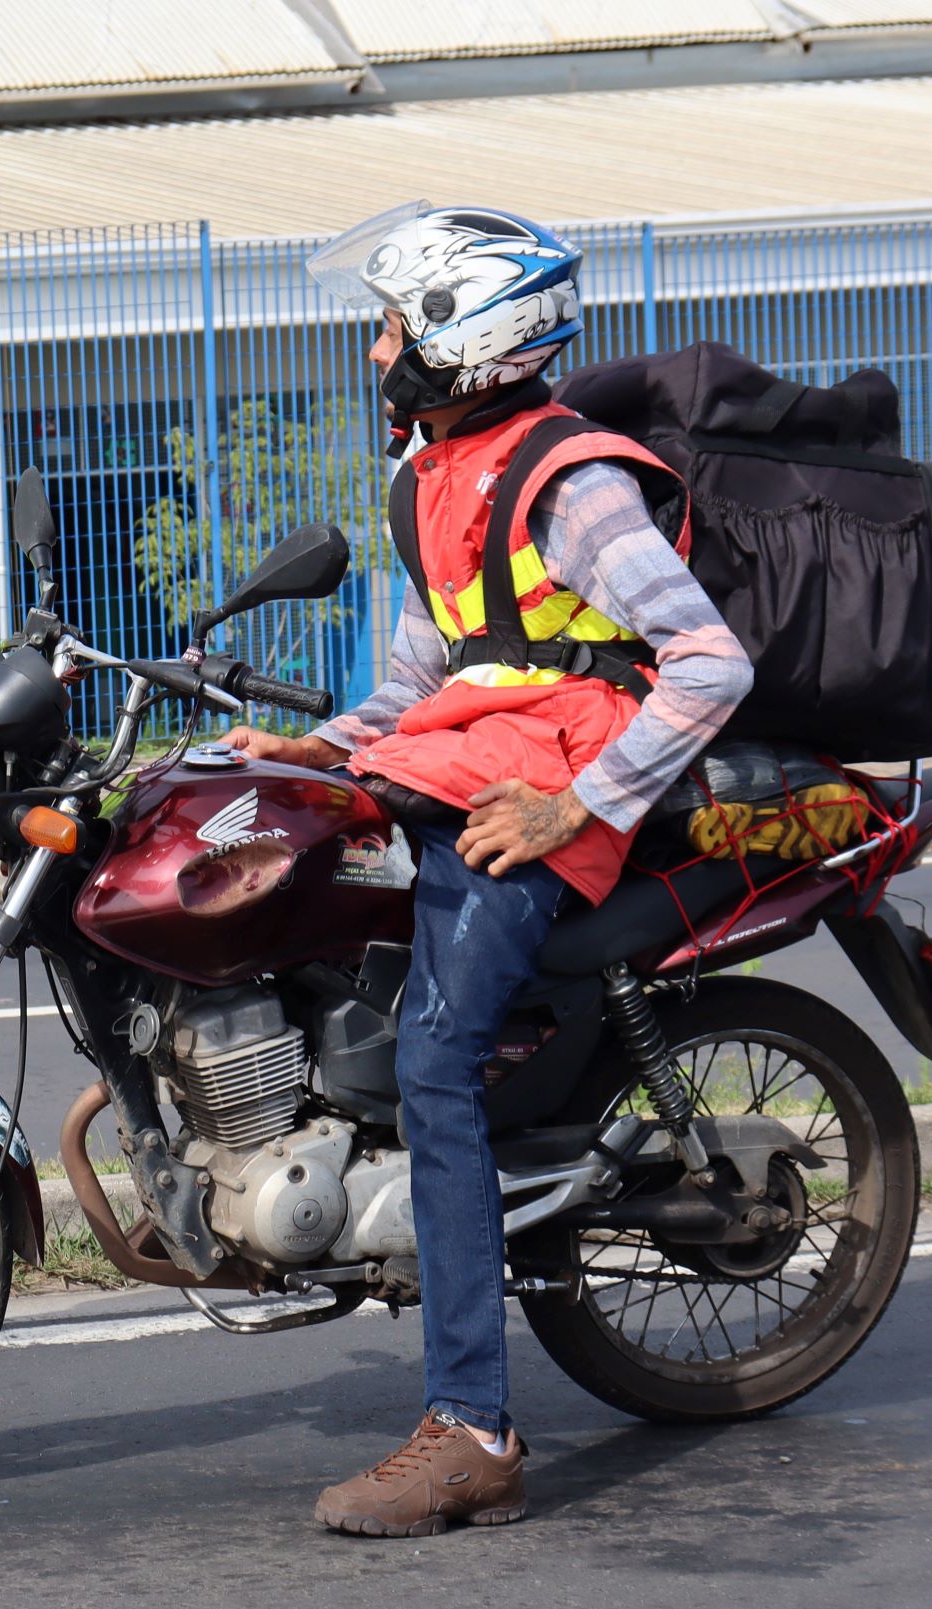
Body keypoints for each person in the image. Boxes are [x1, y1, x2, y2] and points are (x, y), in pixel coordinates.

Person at [227, 203, 754, 1536]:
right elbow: (431, 681)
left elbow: (707, 662)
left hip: (549, 802)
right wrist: (317, 744)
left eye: (393, 324)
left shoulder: (571, 484)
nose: (374, 349)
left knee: (436, 1058)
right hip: (474, 776)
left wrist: (577, 802)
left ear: (470, 336)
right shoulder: (430, 475)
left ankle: (474, 1428)